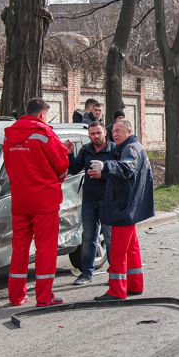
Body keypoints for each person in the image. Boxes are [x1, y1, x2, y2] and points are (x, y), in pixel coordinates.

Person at [3, 97, 70, 307]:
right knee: (45, 249)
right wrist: (65, 155)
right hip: (44, 201)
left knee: (20, 249)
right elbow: (61, 166)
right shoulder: (44, 133)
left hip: (20, 200)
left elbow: (9, 167)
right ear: (42, 114)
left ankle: (16, 296)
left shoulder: (9, 135)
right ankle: (44, 296)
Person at [93, 119, 155, 301]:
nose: (115, 134)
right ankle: (135, 285)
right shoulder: (131, 147)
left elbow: (128, 168)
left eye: (119, 130)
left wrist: (106, 166)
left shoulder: (131, 149)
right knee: (131, 249)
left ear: (129, 130)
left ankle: (116, 291)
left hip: (123, 208)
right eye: (113, 132)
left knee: (118, 252)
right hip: (129, 208)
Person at [67, 122, 115, 285]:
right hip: (89, 200)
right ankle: (86, 272)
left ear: (105, 134)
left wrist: (103, 174)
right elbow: (74, 169)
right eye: (92, 133)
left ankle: (114, 272)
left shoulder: (113, 149)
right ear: (89, 135)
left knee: (110, 238)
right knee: (89, 237)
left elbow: (120, 173)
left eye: (98, 133)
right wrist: (70, 154)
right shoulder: (86, 150)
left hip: (108, 200)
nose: (95, 136)